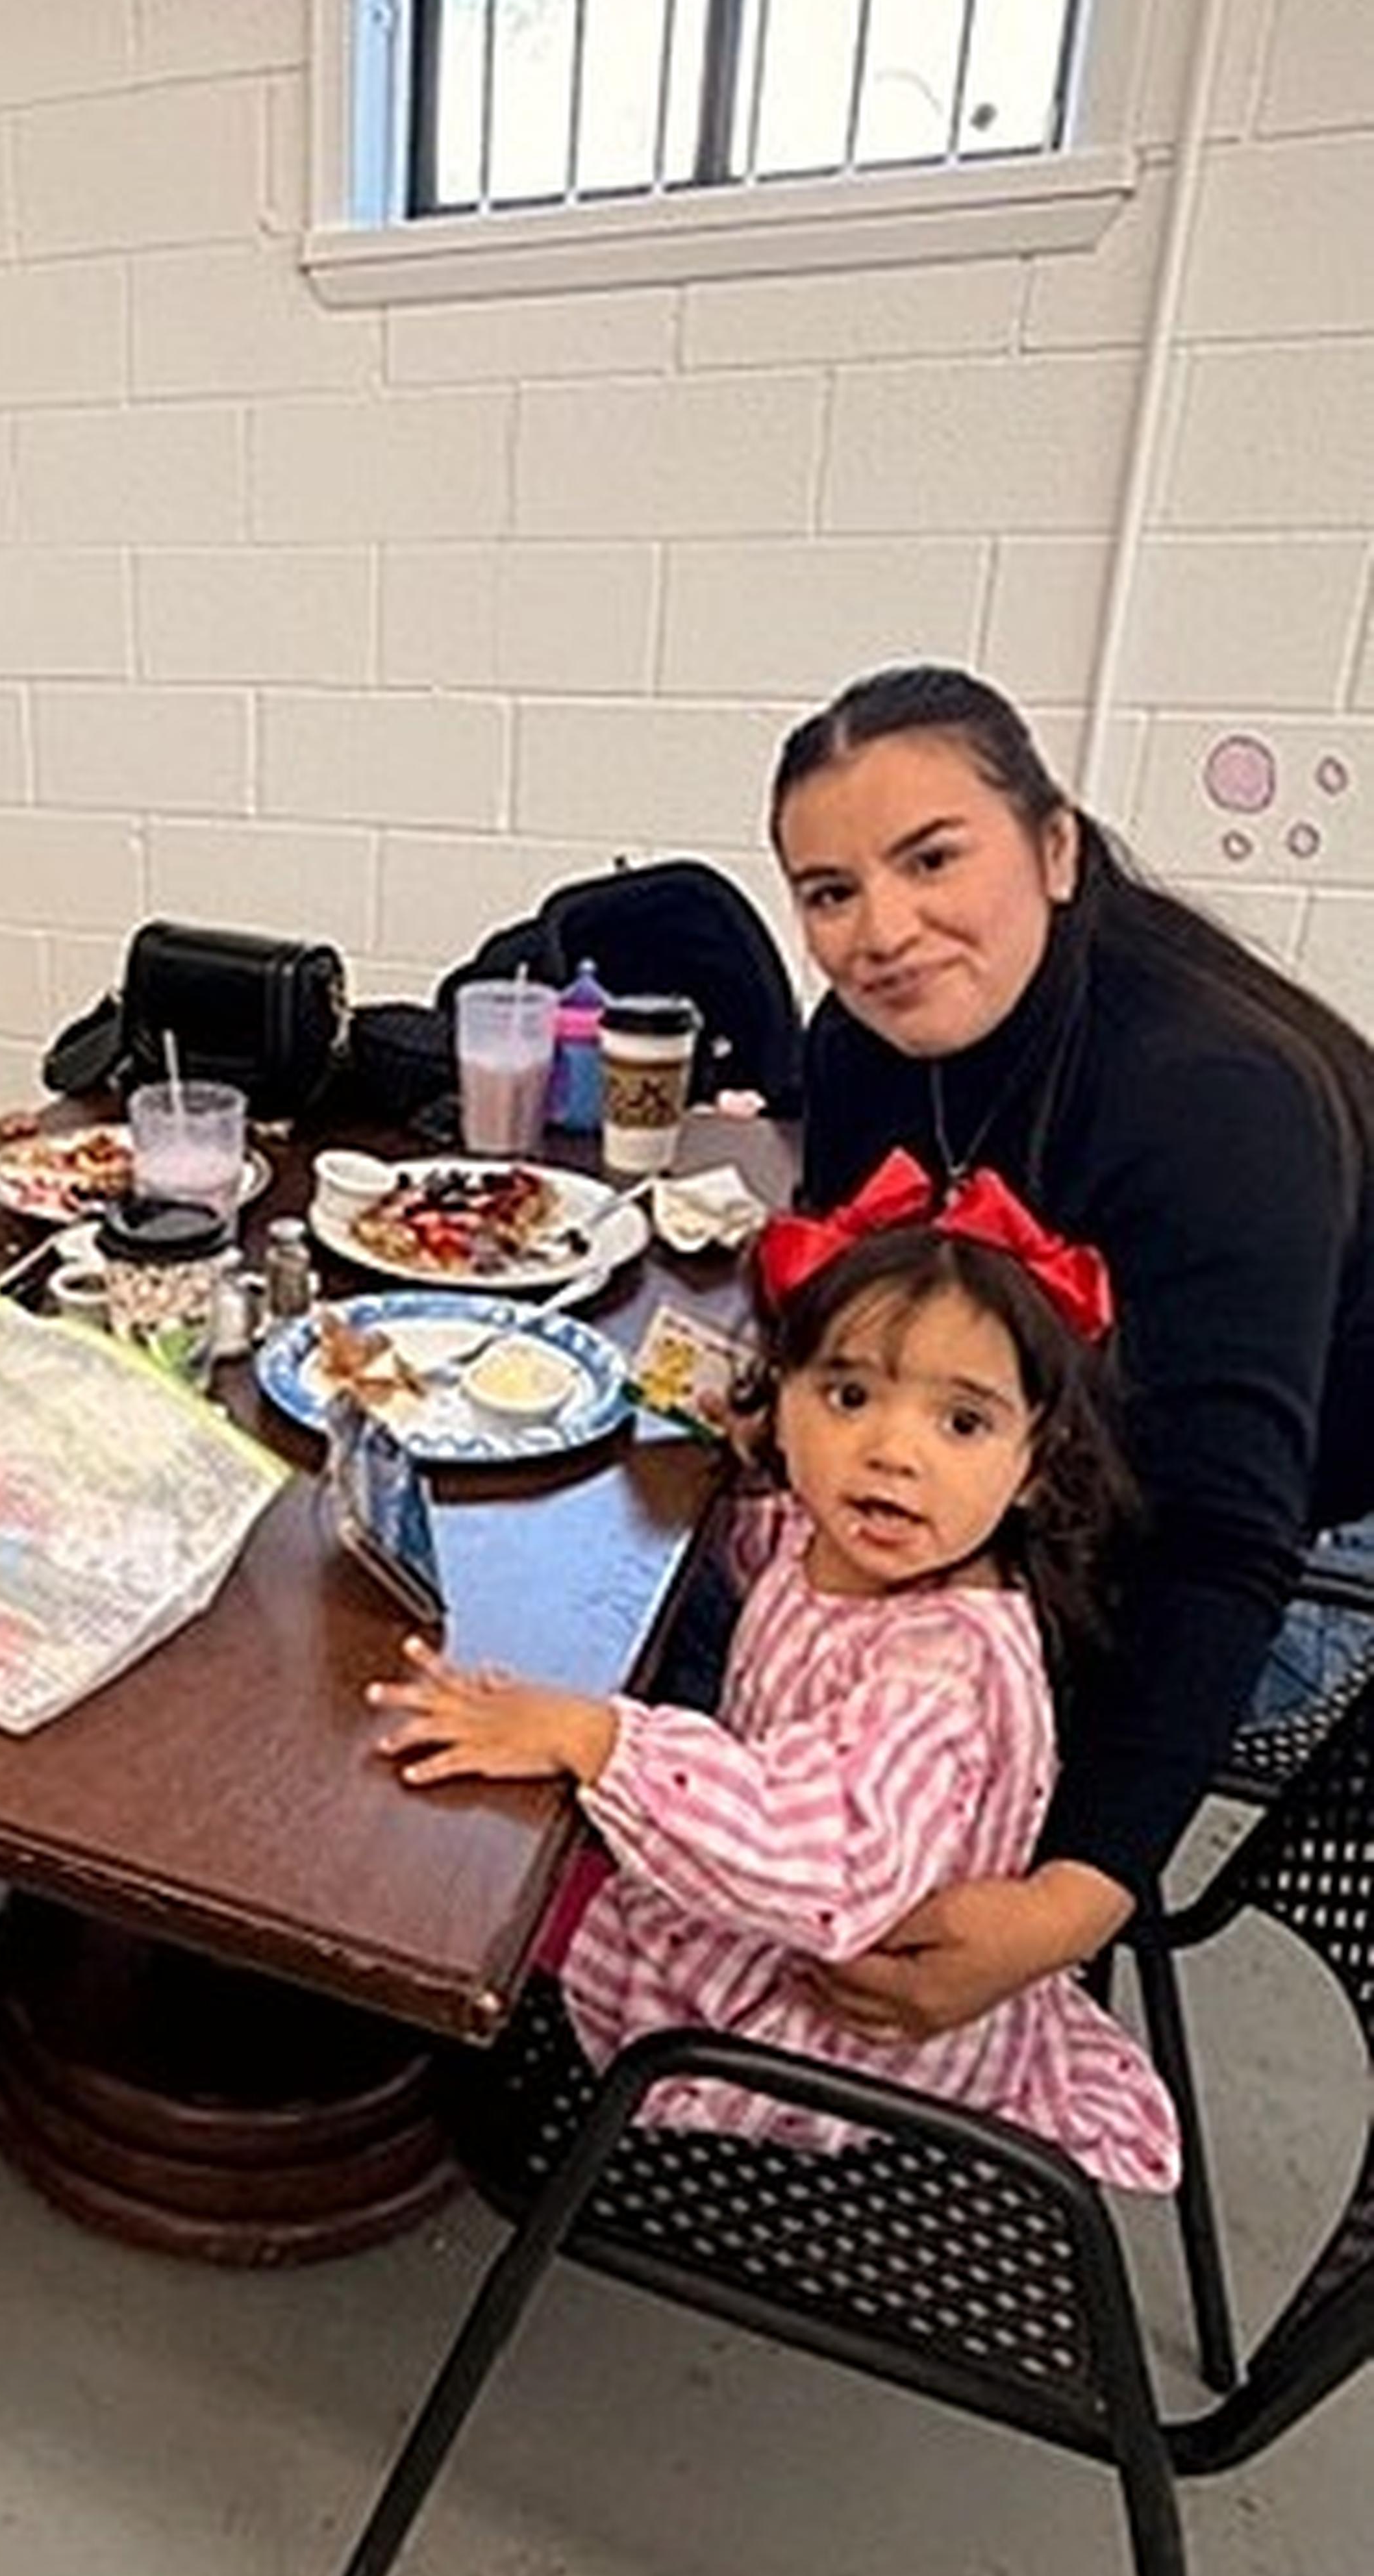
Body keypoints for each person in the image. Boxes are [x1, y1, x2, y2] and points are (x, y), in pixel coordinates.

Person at [770, 663, 1374, 2046]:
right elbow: (862, 1310)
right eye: (831, 891)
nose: (884, 931)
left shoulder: (1213, 1105)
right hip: (1054, 1458)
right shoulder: (856, 1044)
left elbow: (1216, 1543)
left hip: (1280, 1542)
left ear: (1055, 849)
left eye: (933, 859)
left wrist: (1071, 1900)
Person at [368, 1164, 1179, 2188]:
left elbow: (827, 1867)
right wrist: (744, 1455)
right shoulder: (853, 1543)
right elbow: (779, 1565)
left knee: (475, 1874)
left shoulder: (939, 1680)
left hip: (827, 2025)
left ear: (1038, 1463)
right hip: (804, 1940)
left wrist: (592, 1737)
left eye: (963, 1422)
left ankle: (386, 2073)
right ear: (784, 1399)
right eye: (849, 1396)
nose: (892, 1452)